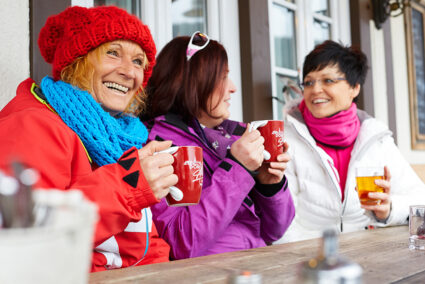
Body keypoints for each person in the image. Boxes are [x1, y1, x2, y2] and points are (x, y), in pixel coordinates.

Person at [0, 6, 178, 271]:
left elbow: (144, 246)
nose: (129, 72)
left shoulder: (121, 137)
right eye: (113, 53)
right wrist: (131, 185)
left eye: (138, 61)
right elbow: (27, 238)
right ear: (77, 62)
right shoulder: (32, 124)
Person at [143, 32, 295, 260]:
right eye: (223, 78)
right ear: (192, 82)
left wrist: (270, 184)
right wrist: (237, 168)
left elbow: (274, 230)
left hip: (254, 266)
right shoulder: (163, 145)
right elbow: (182, 242)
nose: (233, 88)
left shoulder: (231, 137)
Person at [274, 40, 425, 243]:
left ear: (354, 88)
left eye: (328, 80)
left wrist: (388, 209)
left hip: (369, 255)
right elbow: (282, 222)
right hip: (309, 260)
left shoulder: (376, 138)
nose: (315, 89)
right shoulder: (286, 140)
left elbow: (419, 200)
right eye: (309, 82)